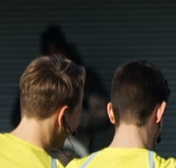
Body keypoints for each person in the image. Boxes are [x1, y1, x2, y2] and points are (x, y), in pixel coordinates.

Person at [10, 25, 111, 154]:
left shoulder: (85, 78)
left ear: (65, 50)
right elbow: (17, 116)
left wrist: (73, 118)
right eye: (49, 53)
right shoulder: (37, 80)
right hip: (39, 150)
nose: (54, 57)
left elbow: (102, 114)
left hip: (76, 149)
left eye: (57, 51)